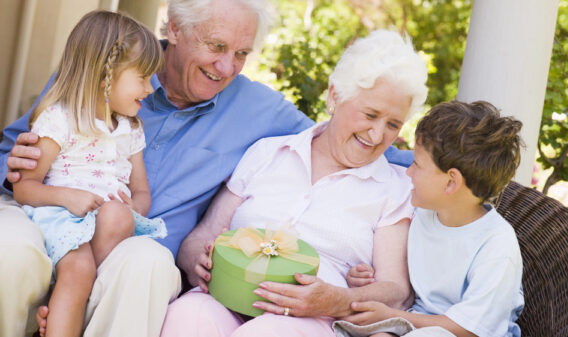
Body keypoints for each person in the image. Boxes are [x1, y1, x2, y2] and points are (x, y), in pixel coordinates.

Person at [0, 1, 413, 336]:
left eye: (241, 54)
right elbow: (9, 151)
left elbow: (354, 139)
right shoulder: (101, 71)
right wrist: (17, 168)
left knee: (149, 268)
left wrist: (443, 167)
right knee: (8, 245)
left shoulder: (259, 111)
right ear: (175, 28)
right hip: (47, 211)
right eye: (216, 47)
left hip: (134, 244)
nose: (227, 68)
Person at [160, 29, 428, 337]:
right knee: (188, 314)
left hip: (314, 319)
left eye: (393, 124)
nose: (377, 134)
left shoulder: (394, 188)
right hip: (227, 295)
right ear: (334, 96)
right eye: (370, 114)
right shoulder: (268, 152)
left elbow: (396, 290)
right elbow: (204, 234)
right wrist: (197, 261)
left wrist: (339, 300)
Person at [11, 11, 168, 337]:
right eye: (142, 78)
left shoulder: (131, 130)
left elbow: (141, 191)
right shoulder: (59, 121)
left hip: (110, 225)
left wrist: (132, 210)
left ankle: (59, 310)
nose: (150, 89)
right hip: (63, 215)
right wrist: (68, 197)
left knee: (116, 220)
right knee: (79, 270)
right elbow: (25, 188)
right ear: (104, 77)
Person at [342, 101, 525, 337]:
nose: (408, 172)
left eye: (417, 165)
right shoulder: (423, 212)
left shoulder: (496, 246)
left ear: (451, 182)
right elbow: (398, 272)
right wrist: (366, 276)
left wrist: (392, 316)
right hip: (414, 323)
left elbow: (470, 328)